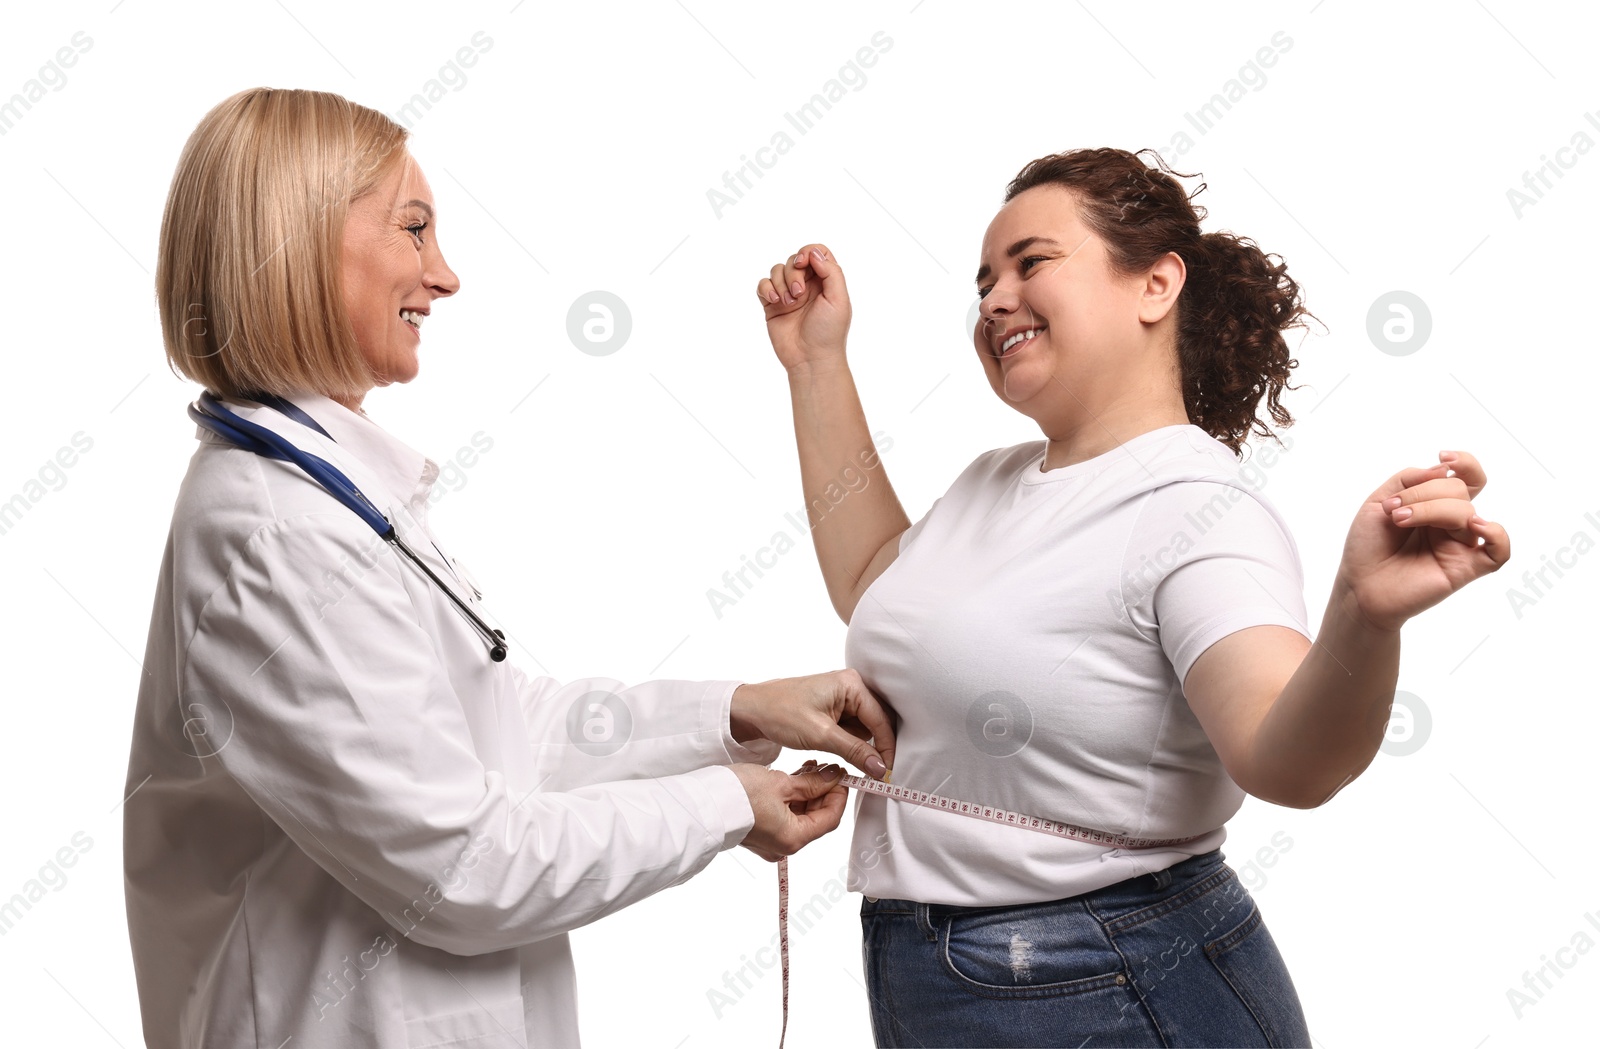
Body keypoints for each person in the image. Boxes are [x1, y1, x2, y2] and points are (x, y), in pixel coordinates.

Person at [122, 86, 895, 1049]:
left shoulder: (328, 492)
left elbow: (496, 735)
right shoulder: (279, 536)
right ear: (299, 243)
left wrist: (736, 713)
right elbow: (464, 865)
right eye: (413, 229)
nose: (444, 276)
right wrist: (725, 807)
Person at [753, 147, 1510, 1047]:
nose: (993, 299)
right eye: (985, 279)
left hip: (1115, 987)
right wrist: (816, 364)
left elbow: (1285, 758)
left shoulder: (1197, 509)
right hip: (937, 977)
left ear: (1156, 285)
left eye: (1032, 263)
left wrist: (1362, 615)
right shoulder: (992, 481)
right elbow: (874, 576)